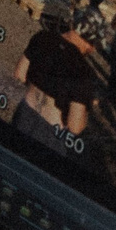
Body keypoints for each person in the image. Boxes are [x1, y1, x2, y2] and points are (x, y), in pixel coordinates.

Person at [14, 9, 101, 150]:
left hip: (24, 113)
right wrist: (88, 106)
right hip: (50, 133)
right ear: (90, 43)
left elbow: (20, 74)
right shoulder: (85, 73)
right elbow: (75, 127)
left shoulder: (41, 38)